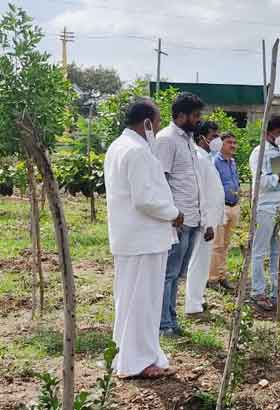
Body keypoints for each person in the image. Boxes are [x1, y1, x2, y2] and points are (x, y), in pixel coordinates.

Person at [104, 99, 182, 378]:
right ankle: (137, 361)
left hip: (132, 238)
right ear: (148, 123)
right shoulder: (136, 151)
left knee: (129, 299)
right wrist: (175, 213)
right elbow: (145, 199)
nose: (159, 127)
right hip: (143, 239)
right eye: (158, 121)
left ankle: (127, 354)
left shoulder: (118, 147)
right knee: (142, 301)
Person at [152, 92, 205, 337]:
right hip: (178, 219)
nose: (198, 120)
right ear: (181, 116)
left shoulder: (188, 141)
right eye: (195, 116)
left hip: (193, 218)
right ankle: (163, 324)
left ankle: (171, 319)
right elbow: (160, 179)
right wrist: (172, 215)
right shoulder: (166, 140)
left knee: (178, 274)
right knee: (168, 274)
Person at [184, 122, 224, 316]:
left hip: (210, 220)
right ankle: (192, 305)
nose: (217, 139)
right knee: (198, 262)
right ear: (202, 137)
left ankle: (198, 299)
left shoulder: (207, 157)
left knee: (203, 262)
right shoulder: (198, 158)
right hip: (204, 222)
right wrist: (207, 223)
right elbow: (201, 193)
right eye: (214, 135)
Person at [249, 115, 280, 311]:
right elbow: (262, 182)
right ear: (269, 132)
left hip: (279, 205)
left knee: (276, 251)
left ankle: (275, 289)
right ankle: (258, 290)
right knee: (259, 250)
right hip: (265, 207)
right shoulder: (259, 153)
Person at [209, 132, 241, 291]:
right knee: (217, 244)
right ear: (221, 144)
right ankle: (213, 278)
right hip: (221, 207)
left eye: (235, 142)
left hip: (233, 205)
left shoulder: (232, 162)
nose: (233, 145)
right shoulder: (215, 161)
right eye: (229, 142)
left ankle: (222, 275)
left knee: (226, 244)